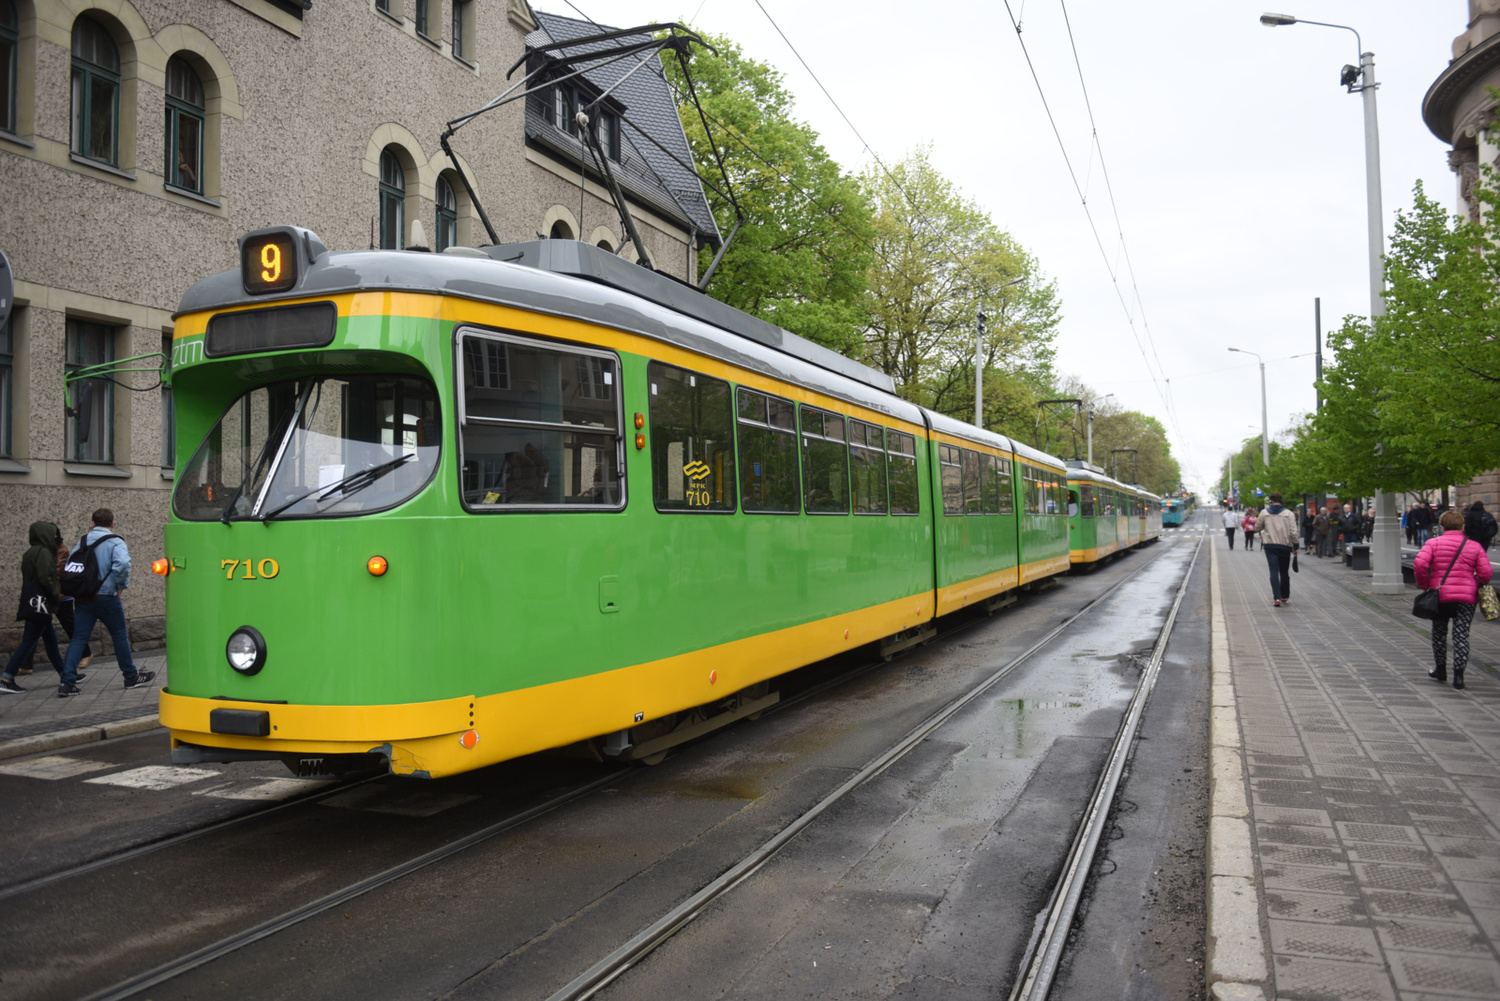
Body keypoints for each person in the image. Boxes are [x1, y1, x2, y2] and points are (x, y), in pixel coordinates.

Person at [57, 509, 154, 697]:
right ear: (112, 524)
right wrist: (121, 586)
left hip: (84, 598)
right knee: (119, 635)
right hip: (106, 597)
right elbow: (123, 564)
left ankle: (67, 682)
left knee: (79, 638)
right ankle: (130, 676)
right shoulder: (115, 541)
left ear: (93, 524)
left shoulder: (82, 541)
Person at [1414, 510, 1493, 689]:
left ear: (1441, 527)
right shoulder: (1474, 546)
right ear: (1462, 526)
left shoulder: (1432, 543)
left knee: (1439, 633)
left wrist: (1425, 584)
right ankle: (1459, 676)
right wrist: (1478, 582)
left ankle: (1440, 670)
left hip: (1440, 595)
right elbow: (1486, 573)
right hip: (1466, 598)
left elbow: (1420, 564)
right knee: (1461, 634)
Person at [0, 522, 80, 693]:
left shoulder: (30, 553)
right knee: (29, 640)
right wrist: (54, 598)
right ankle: (7, 677)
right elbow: (46, 578)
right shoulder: (43, 553)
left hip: (32, 602)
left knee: (51, 640)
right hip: (41, 603)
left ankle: (65, 673)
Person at [1258, 493, 1298, 607]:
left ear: (1271, 501)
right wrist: (1296, 546)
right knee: (1284, 571)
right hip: (1285, 545)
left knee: (1273, 571)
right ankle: (1285, 595)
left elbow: (1257, 527)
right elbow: (1294, 532)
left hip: (1270, 545)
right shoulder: (1289, 514)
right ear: (1281, 501)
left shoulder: (1264, 513)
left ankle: (1276, 597)